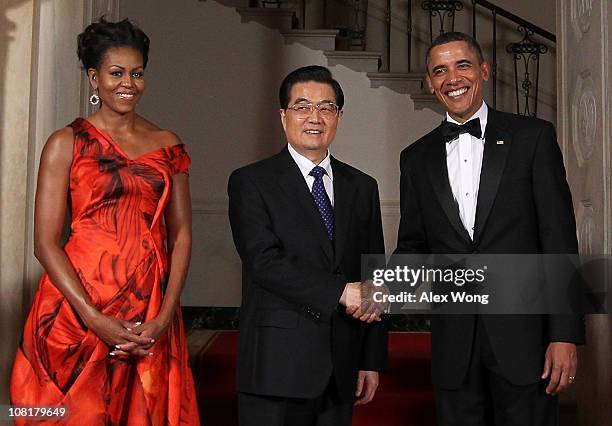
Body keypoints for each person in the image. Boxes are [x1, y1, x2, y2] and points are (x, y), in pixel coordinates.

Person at [10, 18, 200, 425]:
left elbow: (182, 234)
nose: (127, 82)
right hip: (76, 308)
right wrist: (94, 319)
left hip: (148, 308)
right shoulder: (67, 143)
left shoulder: (169, 146)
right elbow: (44, 243)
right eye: (116, 73)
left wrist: (165, 317)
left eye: (137, 73)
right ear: (95, 78)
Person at [395, 32, 585, 425]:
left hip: (525, 341)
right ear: (430, 83)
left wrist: (564, 334)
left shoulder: (533, 138)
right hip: (454, 346)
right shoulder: (415, 158)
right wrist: (381, 286)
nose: (452, 78)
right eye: (440, 71)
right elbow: (413, 244)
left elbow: (558, 239)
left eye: (462, 65)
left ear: (484, 70)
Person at [228, 65, 387, 426]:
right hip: (275, 366)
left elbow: (373, 272)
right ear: (283, 117)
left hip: (342, 364)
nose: (314, 117)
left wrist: (370, 359)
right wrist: (340, 292)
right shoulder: (251, 182)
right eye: (302, 107)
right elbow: (263, 261)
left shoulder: (363, 186)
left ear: (339, 117)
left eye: (326, 108)